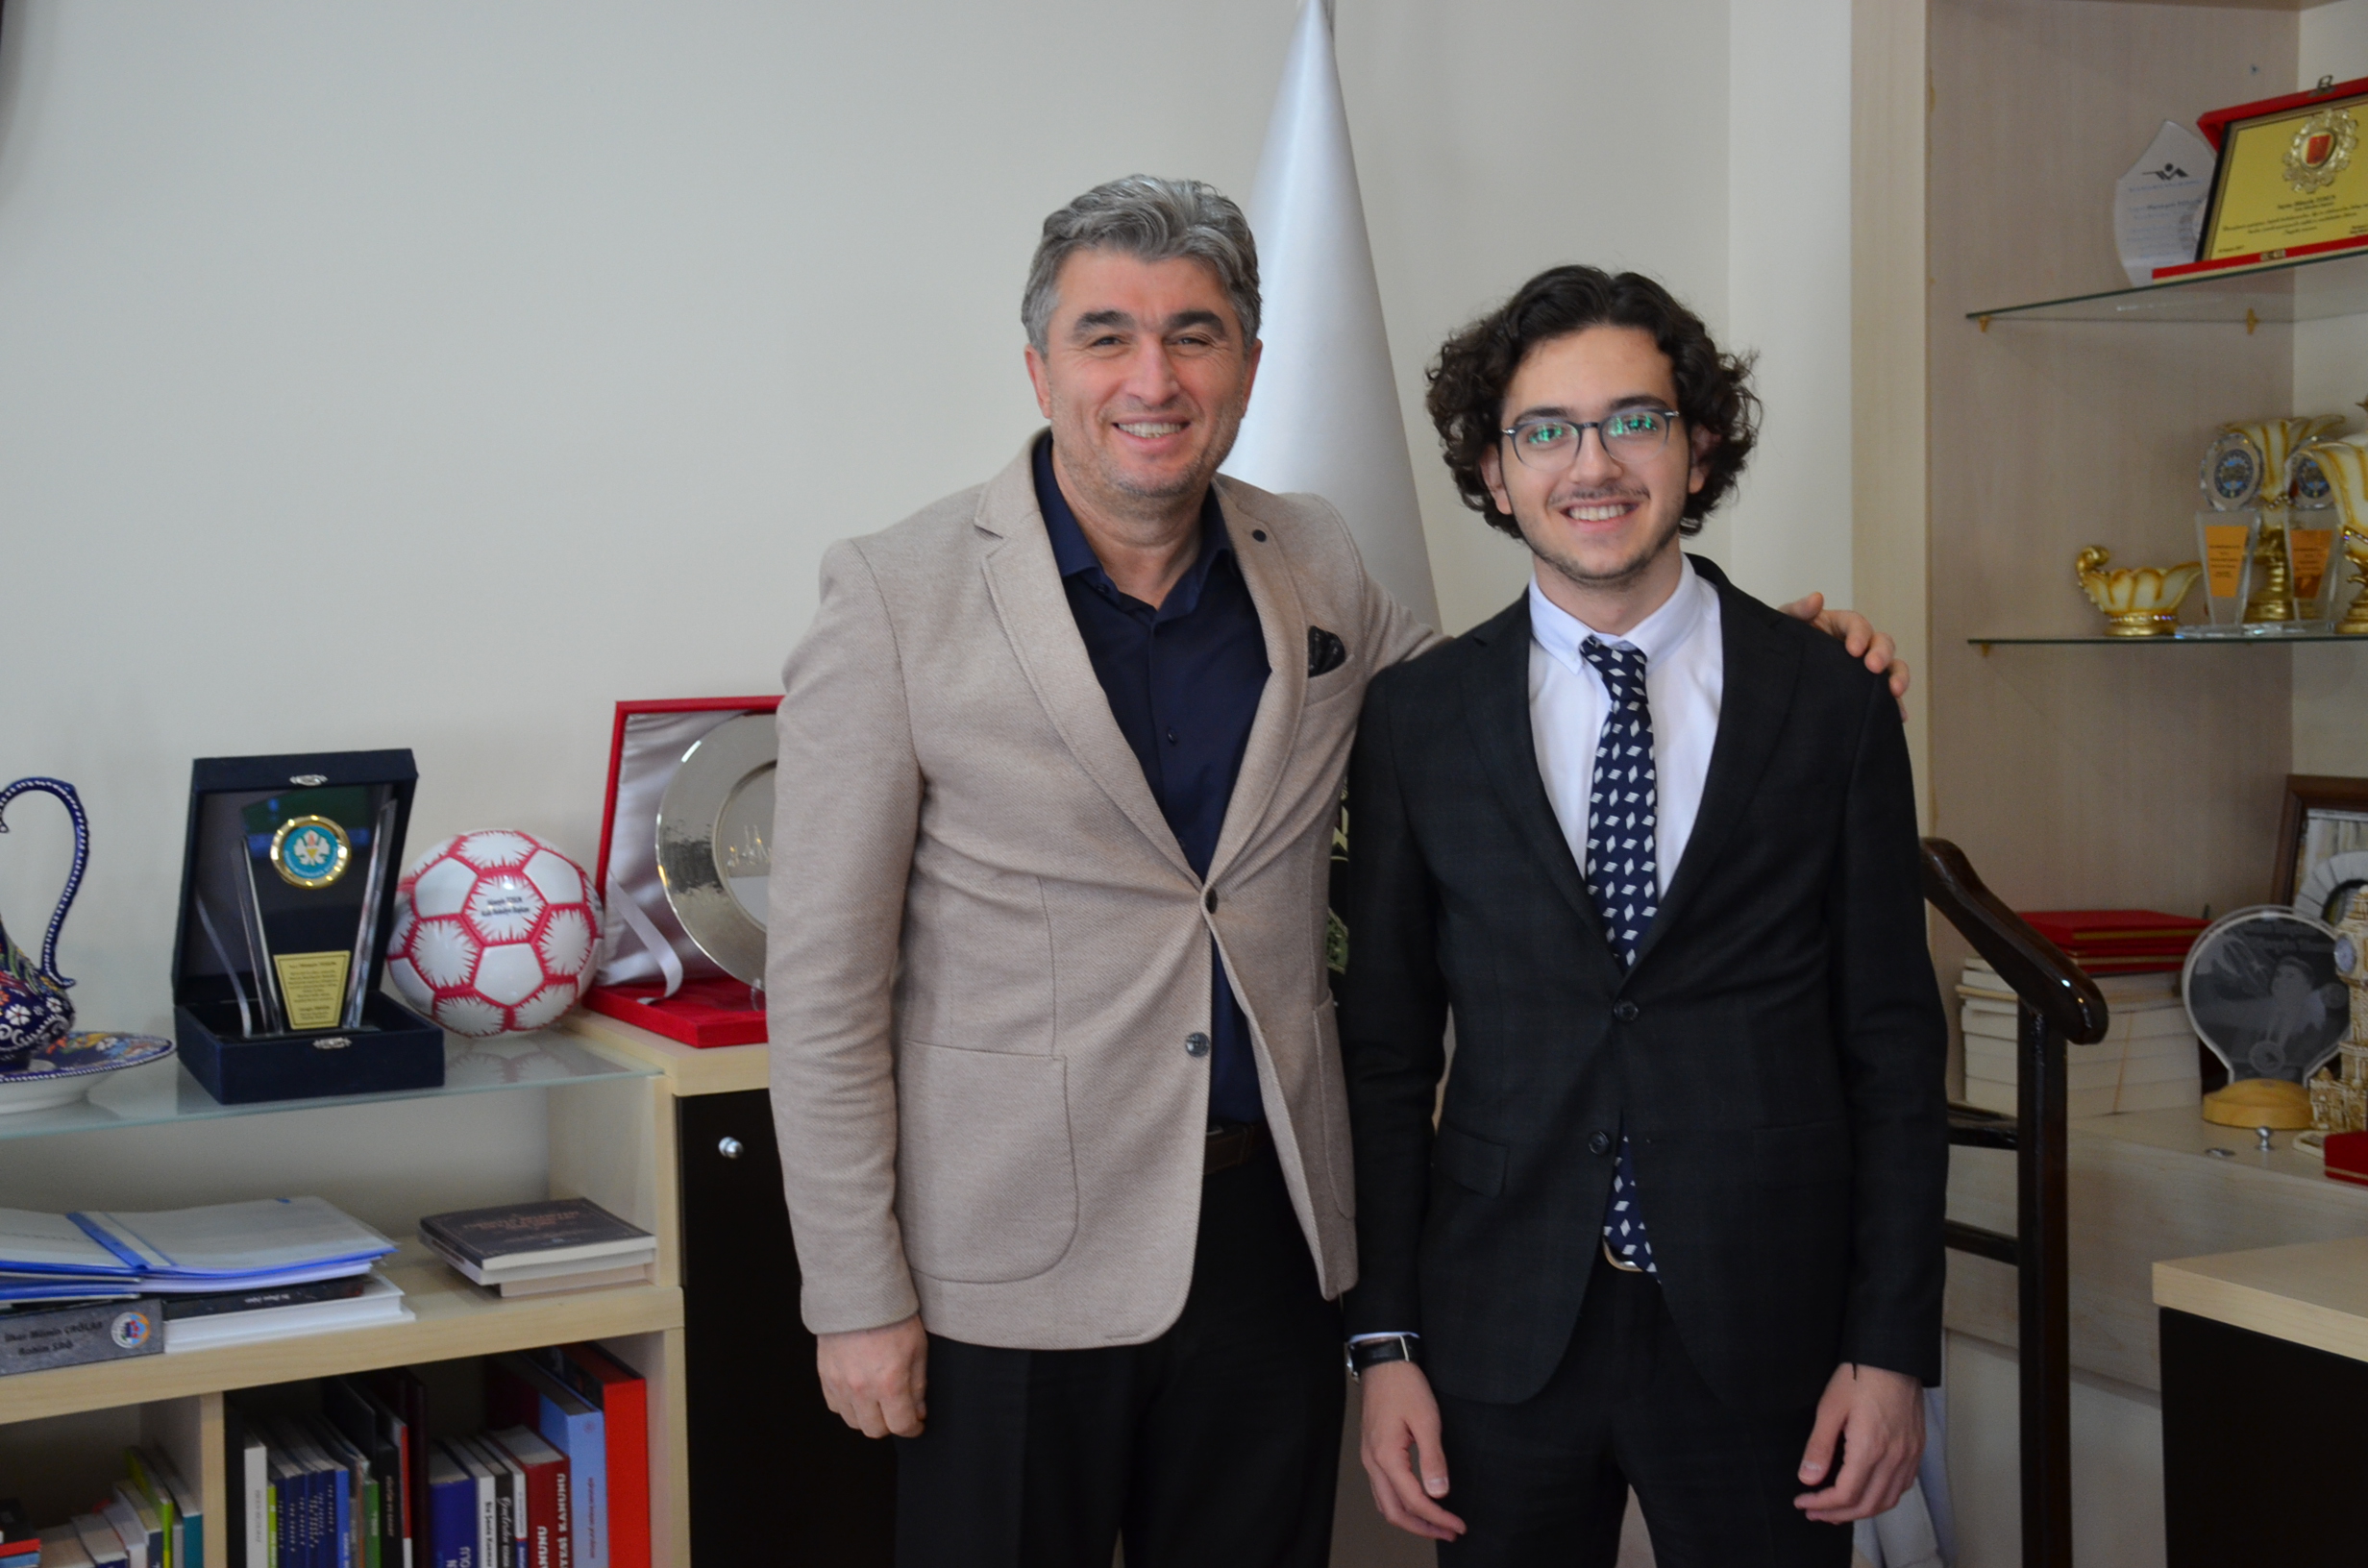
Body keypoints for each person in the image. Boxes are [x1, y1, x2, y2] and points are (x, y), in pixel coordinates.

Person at [765, 180, 1905, 1568]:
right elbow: (822, 990)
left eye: (1195, 336)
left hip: (1272, 1250)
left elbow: (1516, 699)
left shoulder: (1309, 558)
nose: (1153, 378)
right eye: (1107, 336)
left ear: (1248, 367)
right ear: (1038, 367)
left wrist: (1781, 659)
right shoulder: (894, 596)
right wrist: (854, 1292)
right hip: (1008, 1276)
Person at [1340, 265, 1948, 1567]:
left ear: (1699, 444)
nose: (1594, 464)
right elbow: (1384, 1058)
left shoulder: (1830, 701)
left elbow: (1895, 1046)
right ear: (1494, 471)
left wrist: (1892, 1347)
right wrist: (1384, 1344)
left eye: (1635, 419)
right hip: (1498, 1329)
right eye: (1544, 431)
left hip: (1769, 1328)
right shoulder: (1417, 721)